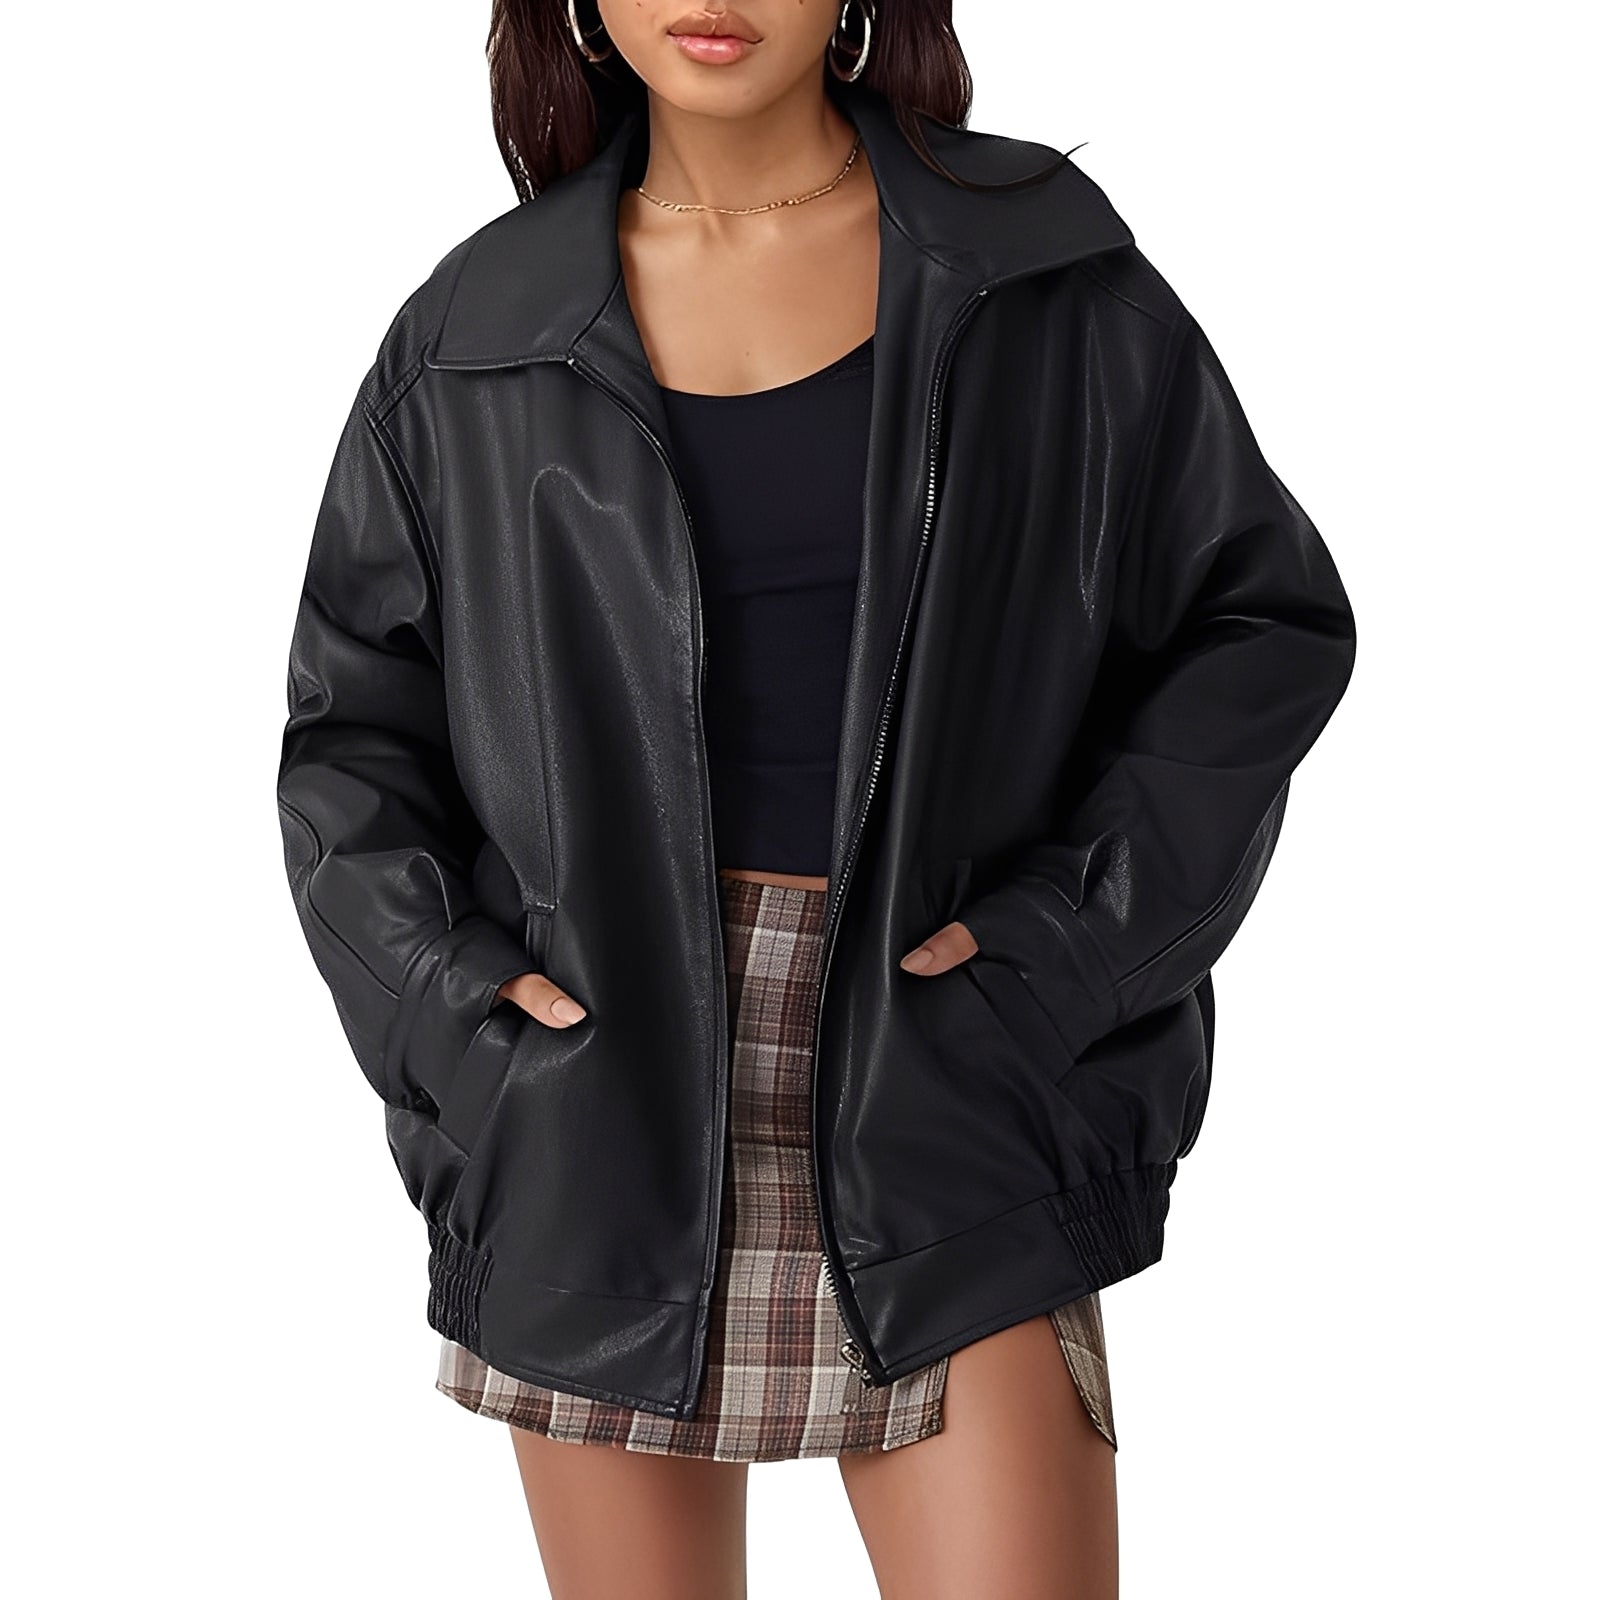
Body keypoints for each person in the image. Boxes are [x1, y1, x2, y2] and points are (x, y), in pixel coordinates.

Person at [277, 2, 1356, 1593]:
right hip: (599, 1092)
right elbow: (353, 739)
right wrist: (460, 1013)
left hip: (941, 1064)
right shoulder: (474, 333)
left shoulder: (1032, 274)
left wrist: (1066, 948)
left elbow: (1254, 626)